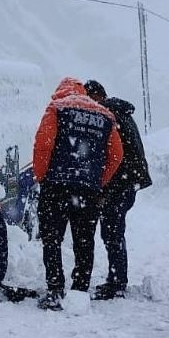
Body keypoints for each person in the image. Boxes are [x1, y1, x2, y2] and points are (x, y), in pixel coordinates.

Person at [32, 77, 124, 310]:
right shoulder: (105, 115)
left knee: (52, 239)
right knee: (84, 240)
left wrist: (42, 176)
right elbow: (116, 155)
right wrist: (97, 181)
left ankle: (55, 288)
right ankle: (80, 288)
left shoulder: (56, 108)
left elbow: (43, 145)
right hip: (88, 190)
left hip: (56, 186)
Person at [84, 81, 152, 300]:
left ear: (98, 96)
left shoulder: (111, 116)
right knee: (113, 232)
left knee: (112, 233)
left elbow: (115, 158)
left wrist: (104, 189)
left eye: (90, 99)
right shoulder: (119, 113)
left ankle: (117, 282)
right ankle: (117, 279)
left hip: (120, 184)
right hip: (127, 183)